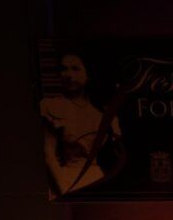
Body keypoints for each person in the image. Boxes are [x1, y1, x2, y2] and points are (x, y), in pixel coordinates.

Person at [40, 51, 122, 198]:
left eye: (75, 69)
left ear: (87, 74)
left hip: (97, 177)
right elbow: (48, 154)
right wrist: (65, 189)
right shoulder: (54, 107)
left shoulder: (101, 115)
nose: (68, 75)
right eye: (63, 69)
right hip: (67, 179)